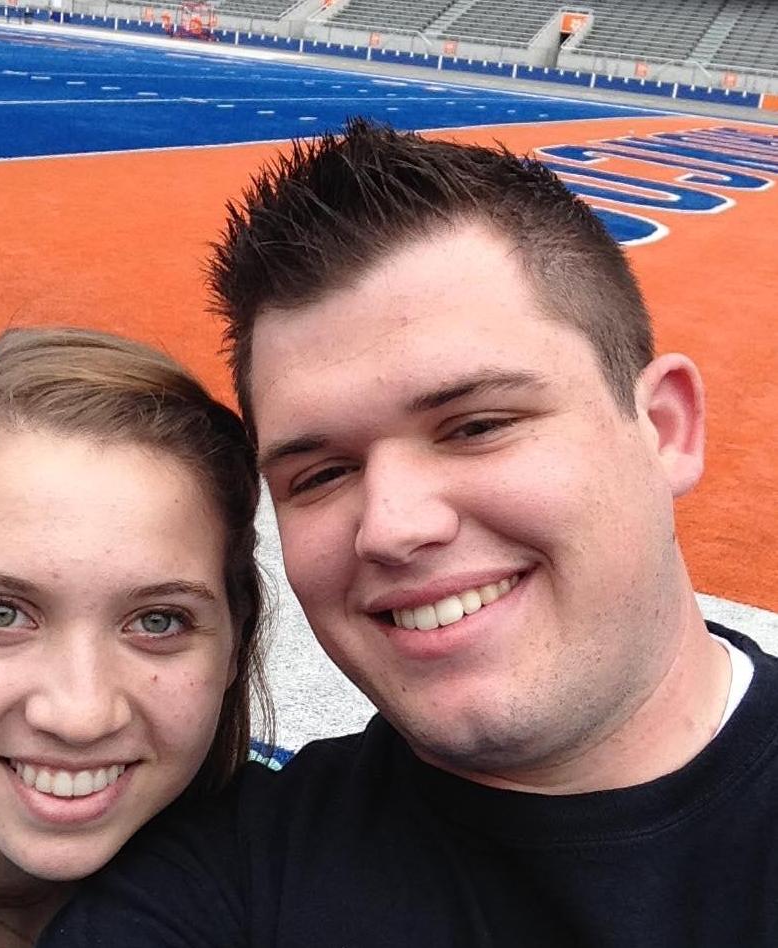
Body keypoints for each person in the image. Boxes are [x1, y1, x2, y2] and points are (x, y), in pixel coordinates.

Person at [40, 118, 778, 946]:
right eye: (320, 474)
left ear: (665, 429)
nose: (392, 528)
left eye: (476, 426)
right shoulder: (220, 883)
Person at [0, 327, 269, 947]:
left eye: (158, 621)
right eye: (0, 613)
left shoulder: (318, 870)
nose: (79, 717)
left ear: (232, 642)